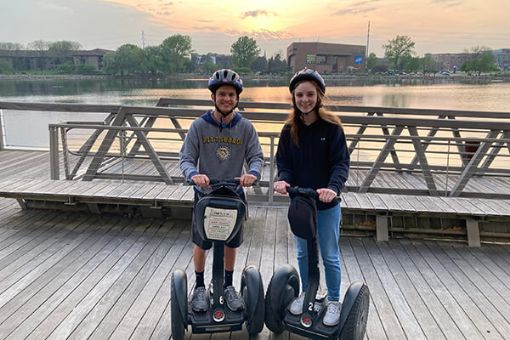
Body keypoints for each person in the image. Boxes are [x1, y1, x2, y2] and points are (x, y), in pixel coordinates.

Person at [179, 69, 264, 313]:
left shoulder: (245, 127)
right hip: (205, 194)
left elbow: (256, 157)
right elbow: (186, 158)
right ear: (213, 96)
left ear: (237, 98)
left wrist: (253, 174)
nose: (226, 98)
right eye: (221, 94)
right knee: (201, 242)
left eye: (230, 94)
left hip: (234, 194)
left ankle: (227, 286)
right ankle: (199, 286)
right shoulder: (199, 126)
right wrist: (193, 175)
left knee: (230, 243)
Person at [273, 68, 350, 326]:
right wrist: (283, 180)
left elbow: (340, 164)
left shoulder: (331, 128)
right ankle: (309, 293)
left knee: (329, 255)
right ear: (293, 98)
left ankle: (335, 300)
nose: (304, 99)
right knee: (304, 254)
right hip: (301, 204)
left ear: (319, 96)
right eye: (299, 95)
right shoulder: (289, 130)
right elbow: (283, 162)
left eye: (310, 94)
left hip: (326, 204)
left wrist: (333, 188)